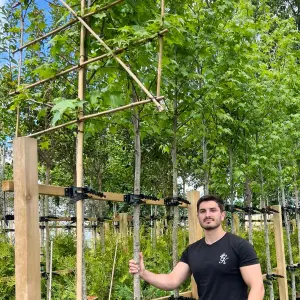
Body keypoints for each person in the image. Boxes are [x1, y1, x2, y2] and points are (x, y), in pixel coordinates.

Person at [129, 194, 264, 300]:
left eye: (213, 210)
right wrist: (143, 273)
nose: (208, 215)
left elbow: (257, 287)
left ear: (222, 215)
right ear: (198, 216)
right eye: (203, 211)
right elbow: (172, 281)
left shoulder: (240, 246)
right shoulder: (192, 251)